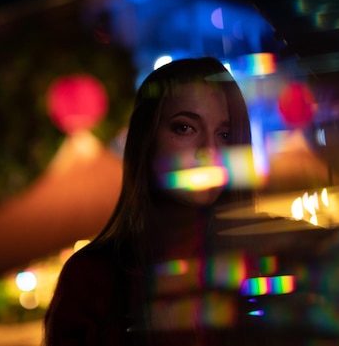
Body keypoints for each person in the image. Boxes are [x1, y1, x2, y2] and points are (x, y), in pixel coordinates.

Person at [43, 56, 266, 345]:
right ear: (146, 140)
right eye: (185, 127)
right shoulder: (91, 278)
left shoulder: (264, 257)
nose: (209, 151)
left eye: (224, 134)